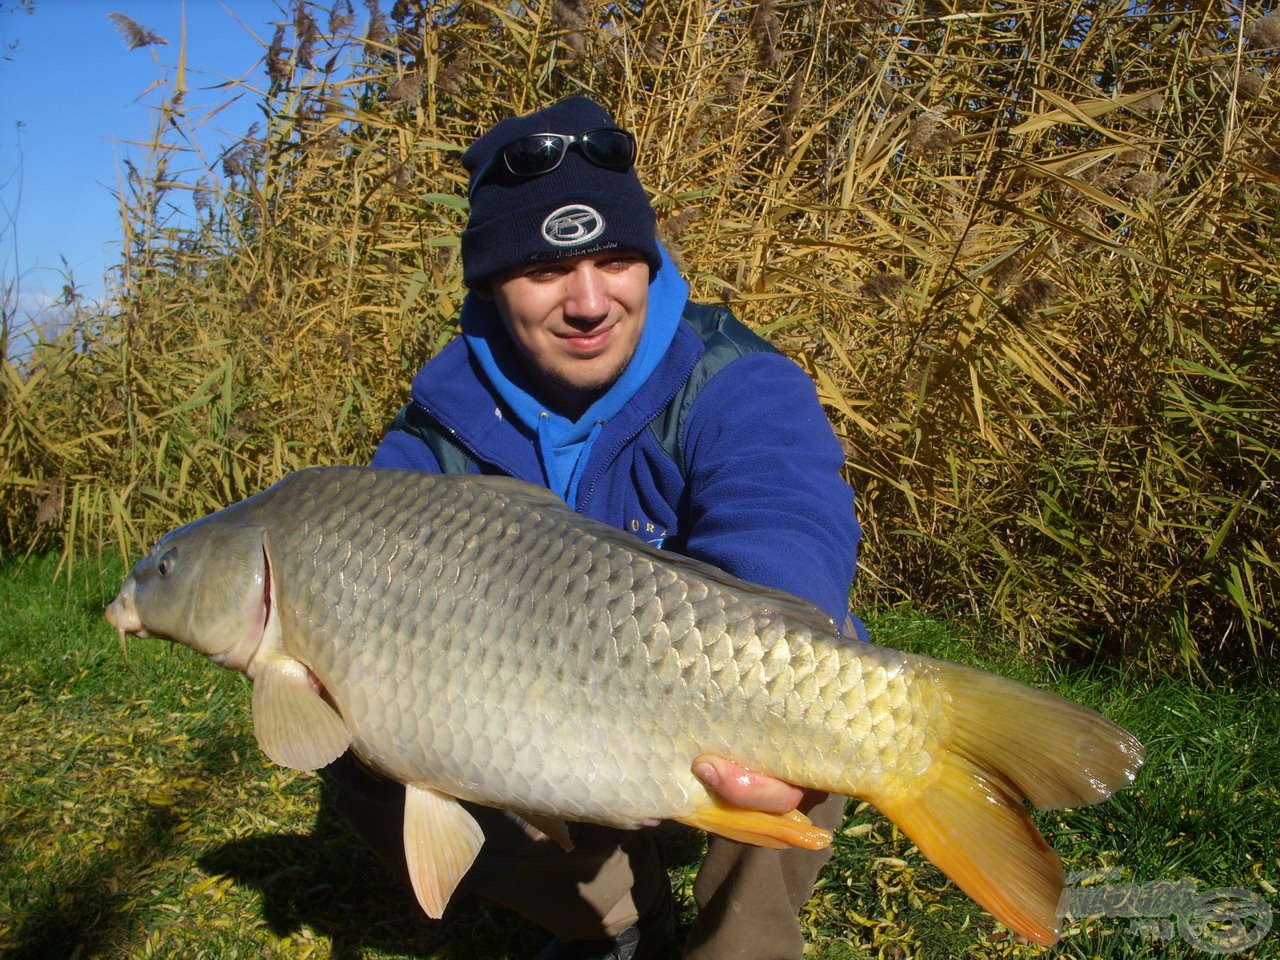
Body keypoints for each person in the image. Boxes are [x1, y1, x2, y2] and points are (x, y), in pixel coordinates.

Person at [330, 95, 868, 960]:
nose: (590, 301)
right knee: (356, 735)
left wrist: (747, 702)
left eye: (616, 258)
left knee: (814, 673)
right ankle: (612, 921)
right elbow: (362, 586)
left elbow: (785, 525)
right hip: (531, 704)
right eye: (544, 269)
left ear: (648, 262)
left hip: (697, 685)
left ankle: (742, 943)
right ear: (491, 285)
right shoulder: (443, 426)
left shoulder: (734, 381)